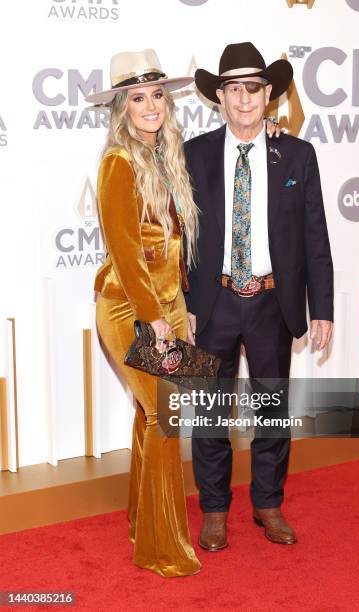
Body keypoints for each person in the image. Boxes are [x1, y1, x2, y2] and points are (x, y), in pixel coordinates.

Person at [184, 42, 334, 551]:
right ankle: (215, 511)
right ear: (219, 97)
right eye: (233, 89)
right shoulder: (194, 154)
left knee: (272, 413)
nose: (244, 99)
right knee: (209, 417)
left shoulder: (297, 154)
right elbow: (180, 235)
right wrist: (180, 303)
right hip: (213, 304)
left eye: (253, 89)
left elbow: (316, 236)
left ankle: (268, 505)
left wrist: (324, 309)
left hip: (274, 303)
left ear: (269, 94)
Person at [85, 49, 201, 577]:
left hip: (168, 305)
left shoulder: (164, 156)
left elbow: (172, 246)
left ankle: (143, 524)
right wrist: (155, 318)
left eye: (157, 95)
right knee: (165, 415)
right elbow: (127, 253)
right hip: (128, 307)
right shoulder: (118, 162)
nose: (151, 105)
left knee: (154, 414)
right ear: (122, 108)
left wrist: (181, 308)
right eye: (138, 97)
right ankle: (163, 548)